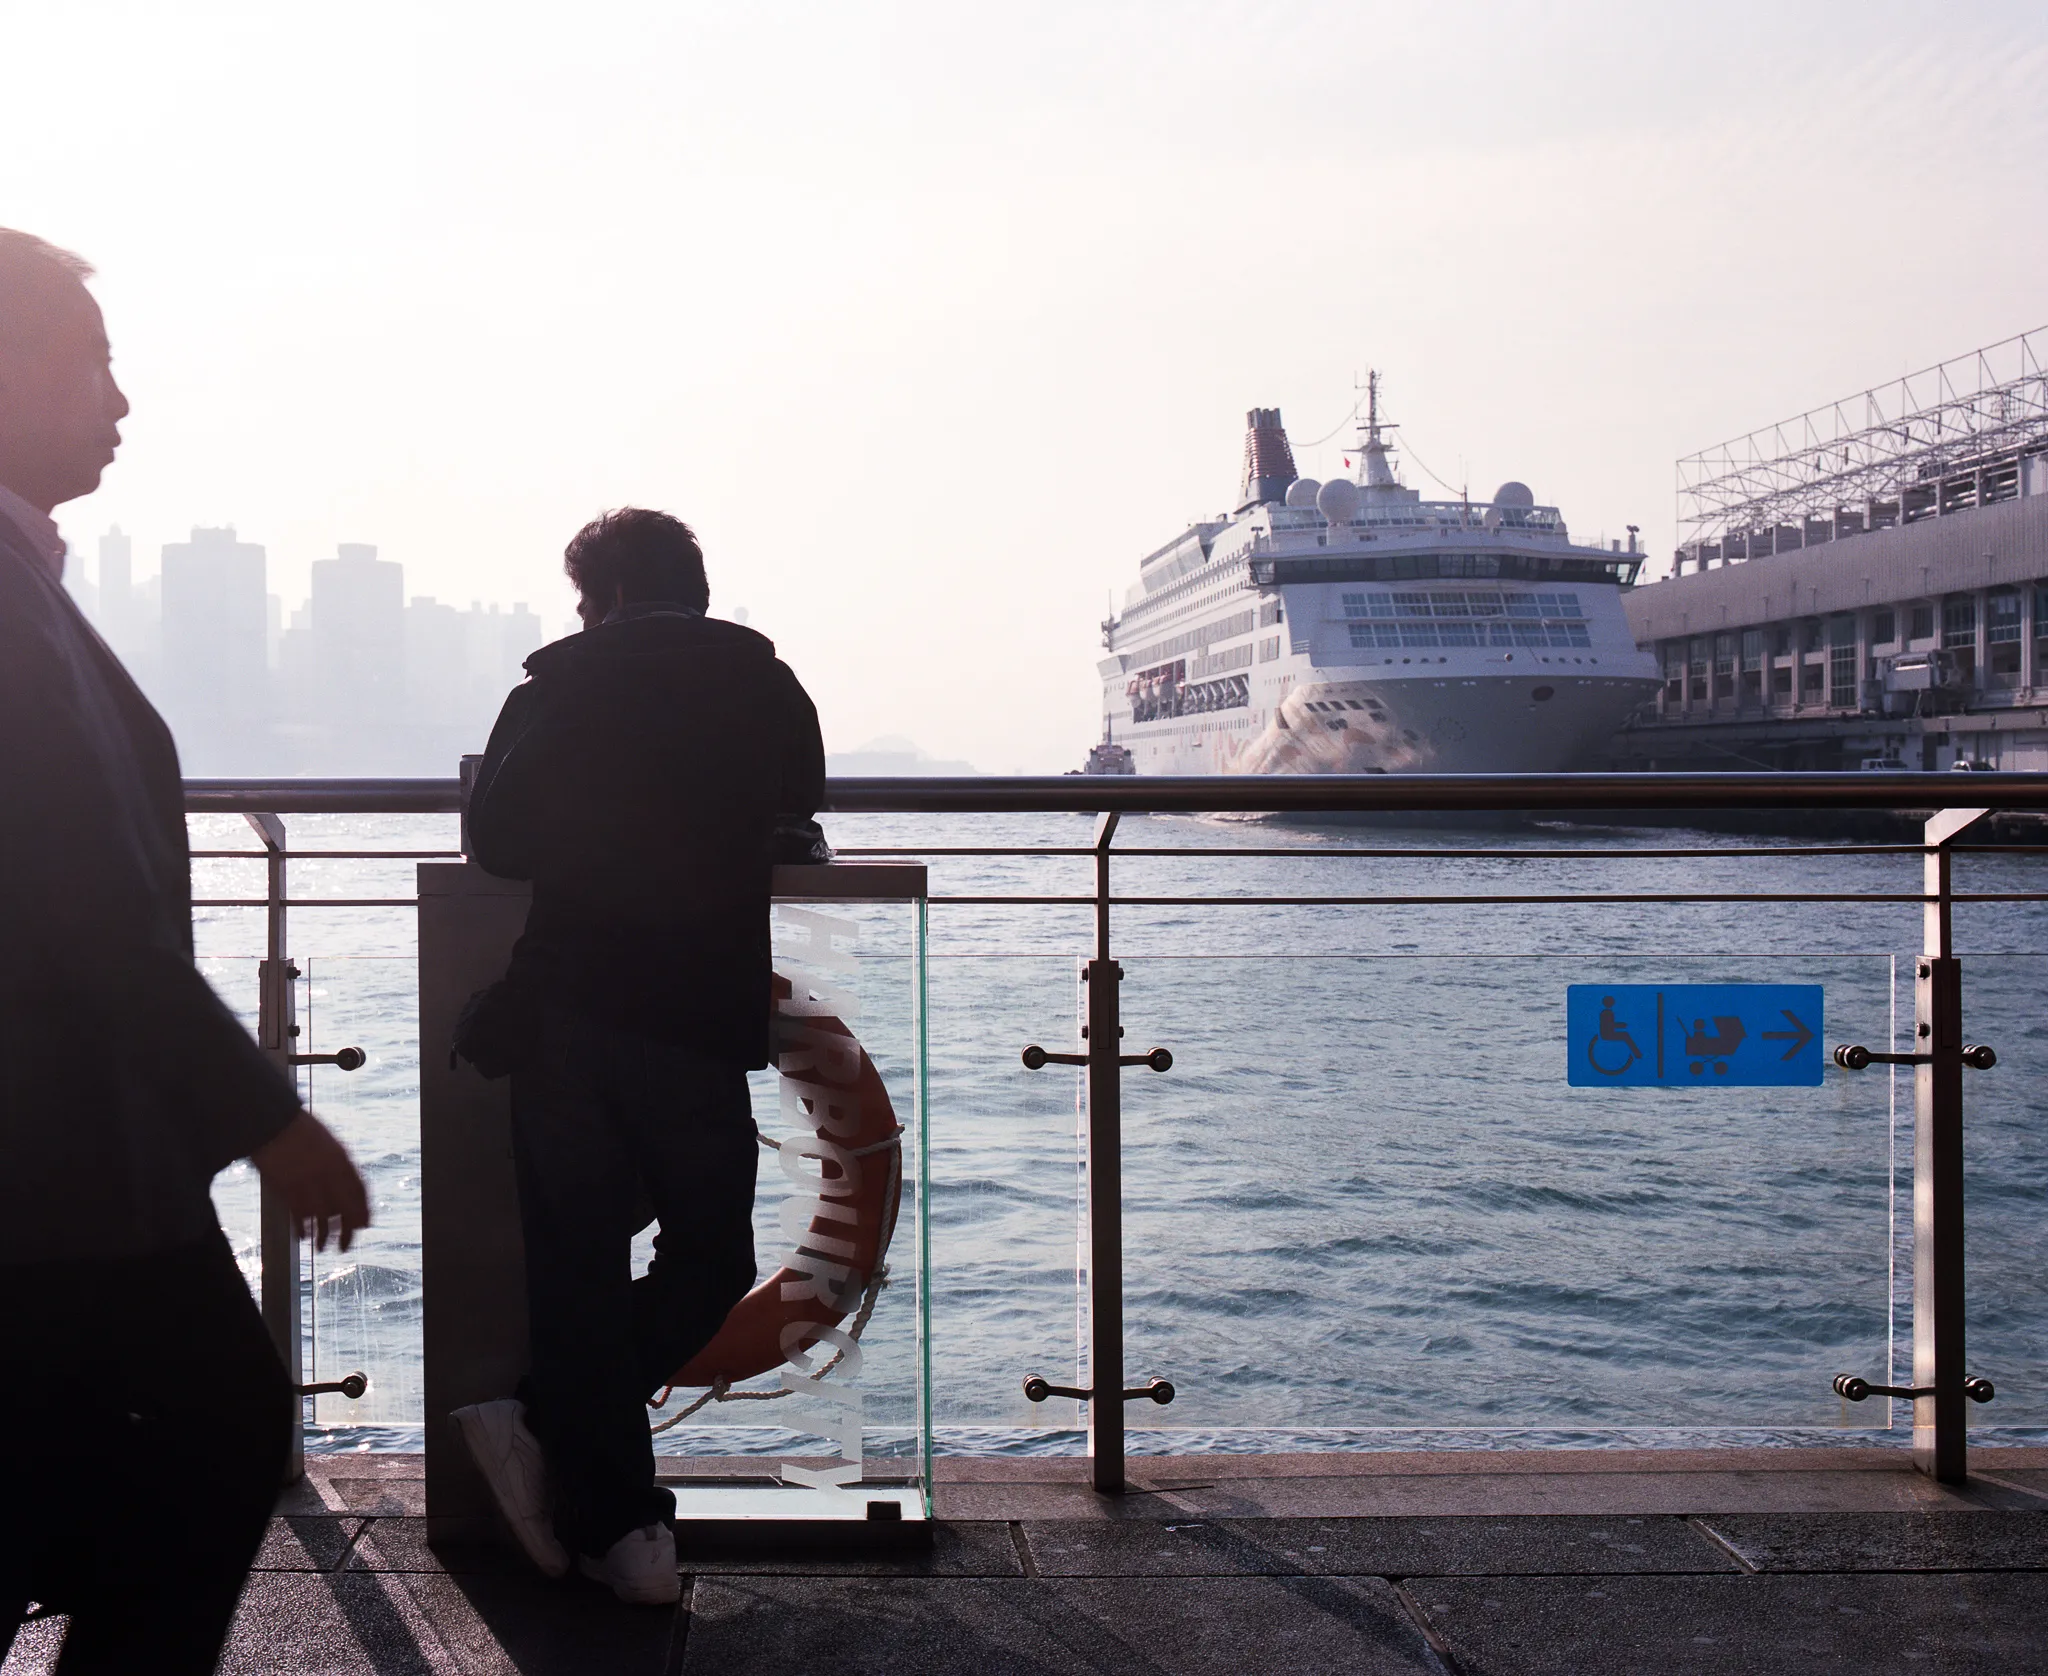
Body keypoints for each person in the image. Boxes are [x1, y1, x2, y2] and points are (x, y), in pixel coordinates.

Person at [0, 229, 372, 1672]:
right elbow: (83, 897)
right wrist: (265, 1116)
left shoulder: (27, 579)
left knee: (133, 1453)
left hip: (76, 1160)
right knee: (214, 1432)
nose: (119, 400)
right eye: (89, 364)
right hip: (60, 1159)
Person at [458, 509, 824, 1606]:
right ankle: (587, 1481)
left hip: (565, 1007)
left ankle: (601, 1503)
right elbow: (799, 805)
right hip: (697, 1014)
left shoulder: (555, 686)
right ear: (693, 588)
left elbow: (498, 842)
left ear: (608, 595)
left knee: (574, 1261)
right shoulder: (766, 684)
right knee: (711, 1255)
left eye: (584, 600)